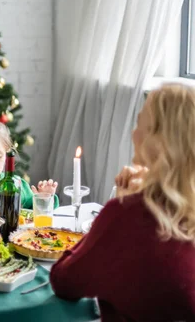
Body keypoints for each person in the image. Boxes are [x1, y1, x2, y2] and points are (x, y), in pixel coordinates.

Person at [50, 84, 195, 321]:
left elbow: (64, 281)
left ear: (158, 141)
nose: (133, 133)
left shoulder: (127, 214)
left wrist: (118, 207)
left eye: (139, 124)